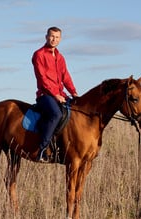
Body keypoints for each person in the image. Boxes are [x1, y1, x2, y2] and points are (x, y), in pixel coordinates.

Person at [32, 26, 78, 162]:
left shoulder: (60, 57)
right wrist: (55, 95)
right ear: (46, 37)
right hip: (45, 95)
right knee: (56, 114)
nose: (54, 39)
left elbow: (66, 76)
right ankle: (42, 150)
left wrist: (73, 92)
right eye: (52, 36)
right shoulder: (39, 54)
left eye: (57, 37)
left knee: (75, 112)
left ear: (60, 39)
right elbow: (42, 78)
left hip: (61, 95)